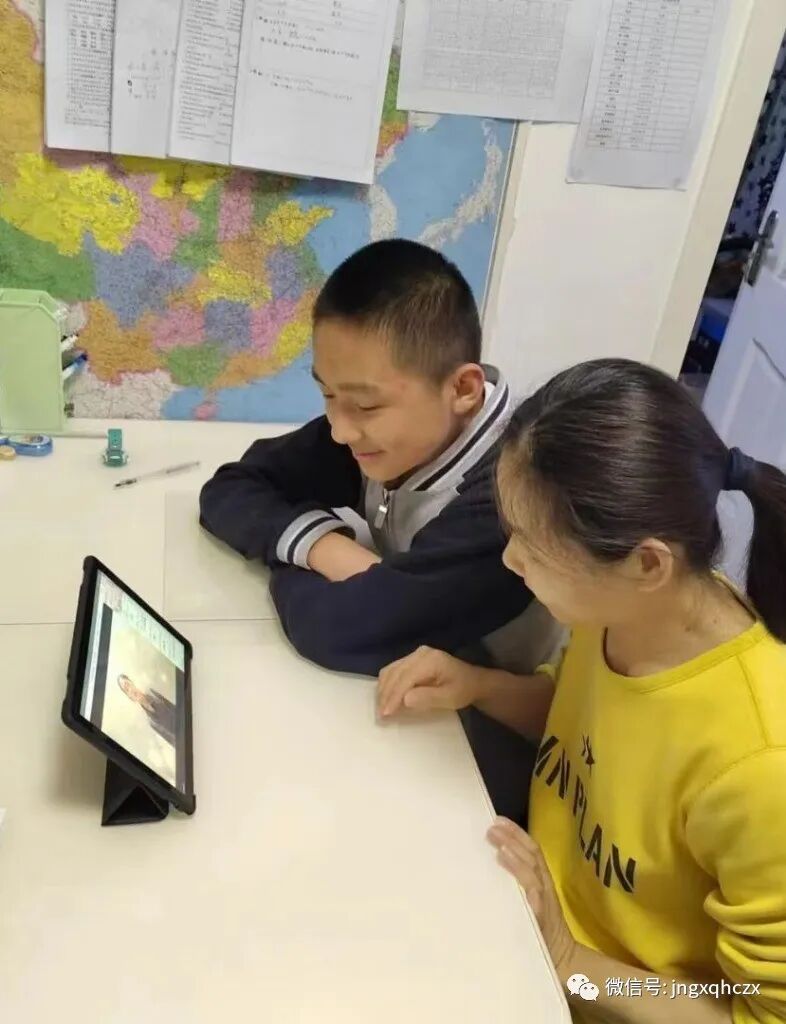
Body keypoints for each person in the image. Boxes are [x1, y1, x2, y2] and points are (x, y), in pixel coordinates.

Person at [377, 358, 786, 1023]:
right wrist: (478, 686)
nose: (511, 560)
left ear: (646, 563)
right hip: (523, 917)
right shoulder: (619, 614)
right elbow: (583, 726)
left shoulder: (762, 765)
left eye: (532, 547)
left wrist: (567, 962)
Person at [200, 239, 558, 823]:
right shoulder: (396, 431)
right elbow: (230, 487)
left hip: (526, 749)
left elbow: (342, 629)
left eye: (364, 407)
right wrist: (327, 549)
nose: (340, 431)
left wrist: (291, 555)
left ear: (463, 389)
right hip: (443, 683)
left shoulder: (511, 497)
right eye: (326, 394)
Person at [117, 673, 177, 748]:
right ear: (129, 697)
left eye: (128, 684)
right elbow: (172, 742)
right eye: (126, 690)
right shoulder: (151, 722)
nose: (130, 690)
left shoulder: (153, 692)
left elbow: (175, 707)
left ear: (132, 682)